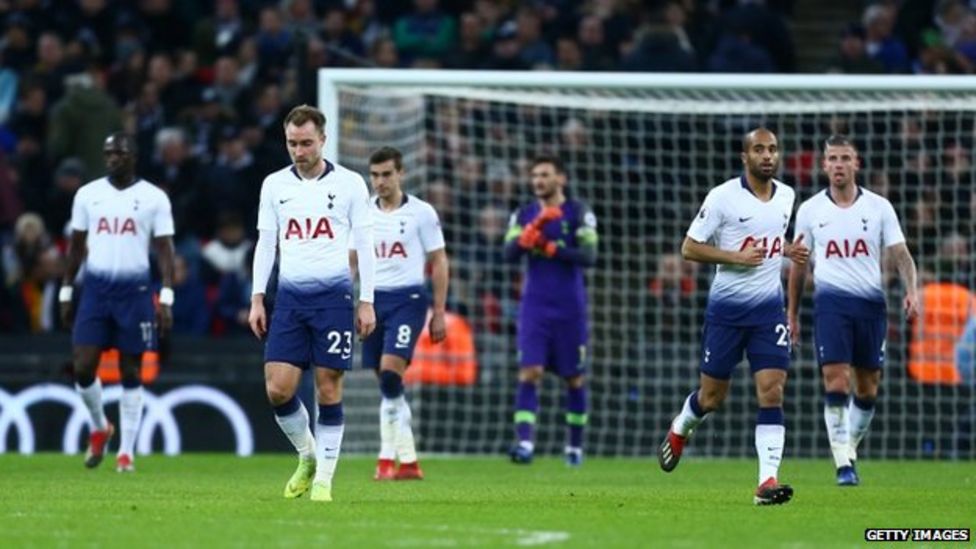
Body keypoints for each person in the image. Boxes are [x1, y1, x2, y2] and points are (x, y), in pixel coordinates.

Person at [658, 128, 809, 505]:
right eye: (759, 149)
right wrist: (736, 258)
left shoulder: (787, 196)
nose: (767, 156)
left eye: (772, 149)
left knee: (772, 392)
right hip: (726, 312)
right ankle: (681, 426)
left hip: (768, 312)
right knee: (711, 398)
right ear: (745, 157)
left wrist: (786, 250)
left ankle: (766, 483)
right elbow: (689, 248)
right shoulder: (723, 197)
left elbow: (767, 241)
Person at [248, 104, 376, 503]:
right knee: (278, 389)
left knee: (328, 387)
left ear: (323, 139)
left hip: (334, 299)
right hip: (288, 299)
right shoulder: (274, 185)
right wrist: (256, 297)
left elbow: (367, 246)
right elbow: (266, 243)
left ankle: (324, 481)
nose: (299, 151)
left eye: (306, 143)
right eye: (292, 143)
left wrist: (366, 300)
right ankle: (307, 456)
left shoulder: (352, 184)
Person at [788, 135, 919, 484]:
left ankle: (848, 449)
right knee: (836, 379)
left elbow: (901, 254)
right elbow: (800, 267)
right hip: (830, 305)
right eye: (833, 158)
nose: (839, 164)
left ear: (856, 164)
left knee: (867, 389)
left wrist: (912, 291)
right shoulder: (810, 211)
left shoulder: (879, 207)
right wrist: (792, 314)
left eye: (846, 157)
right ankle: (842, 465)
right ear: (824, 165)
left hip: (870, 305)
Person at [59, 132, 175, 473]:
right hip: (95, 290)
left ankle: (126, 451)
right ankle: (99, 427)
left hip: (135, 292)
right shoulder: (88, 195)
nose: (112, 159)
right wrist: (67, 290)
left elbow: (165, 250)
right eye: (108, 153)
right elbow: (76, 247)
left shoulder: (154, 198)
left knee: (130, 369)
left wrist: (166, 296)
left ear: (133, 156)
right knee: (82, 366)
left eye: (119, 153)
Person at [352, 147, 449, 482]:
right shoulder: (363, 212)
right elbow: (353, 259)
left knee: (391, 374)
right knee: (387, 385)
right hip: (372, 302)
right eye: (375, 175)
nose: (380, 181)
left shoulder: (421, 213)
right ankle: (408, 462)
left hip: (408, 299)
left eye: (386, 174)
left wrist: (439, 311)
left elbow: (438, 261)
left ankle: (384, 459)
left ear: (401, 174)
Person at [504, 155, 598, 467]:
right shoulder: (524, 214)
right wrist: (527, 235)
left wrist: (550, 247)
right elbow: (508, 253)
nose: (538, 181)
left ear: (561, 179)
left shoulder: (578, 212)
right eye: (534, 176)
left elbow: (589, 254)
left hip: (570, 308)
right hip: (534, 306)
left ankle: (574, 447)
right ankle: (525, 443)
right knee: (530, 371)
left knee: (573, 378)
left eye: (545, 175)